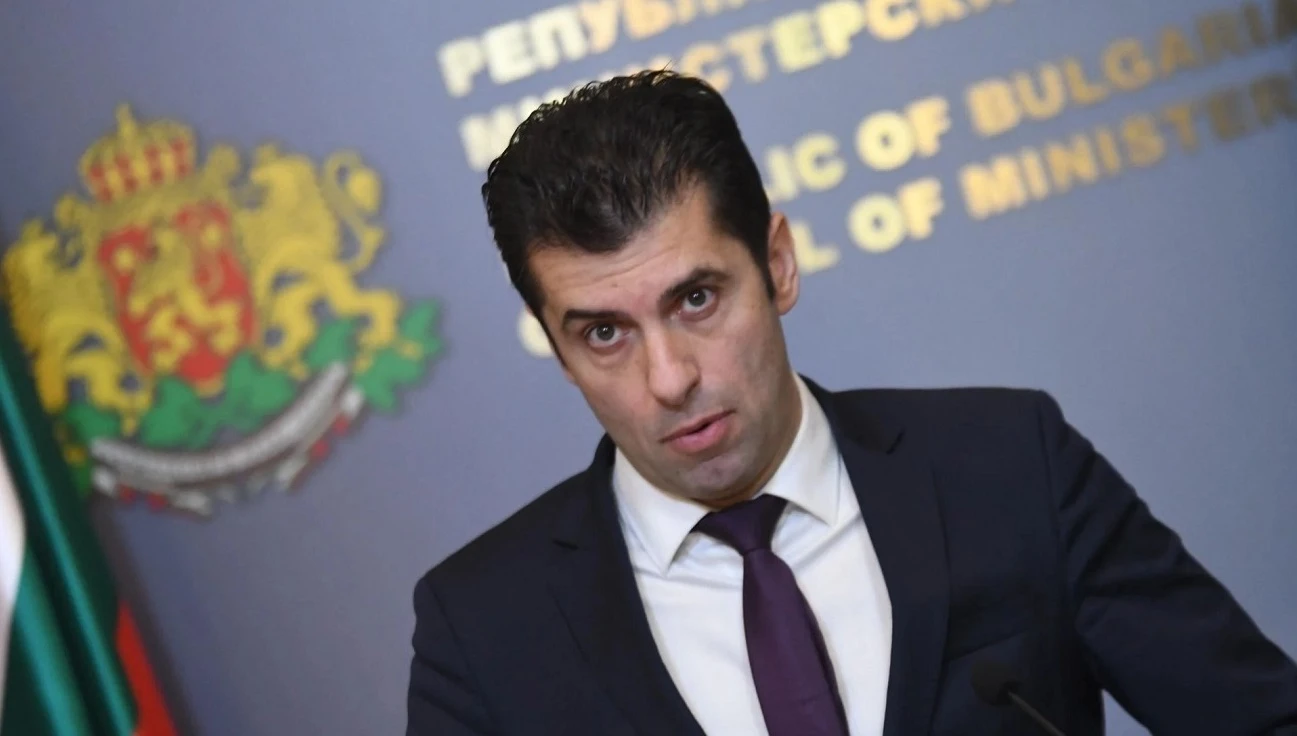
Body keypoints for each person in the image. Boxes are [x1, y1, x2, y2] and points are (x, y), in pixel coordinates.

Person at [406, 70, 1297, 735]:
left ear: (777, 265)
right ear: (558, 349)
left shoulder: (1008, 467)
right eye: (604, 333)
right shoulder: (484, 628)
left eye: (697, 299)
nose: (668, 378)